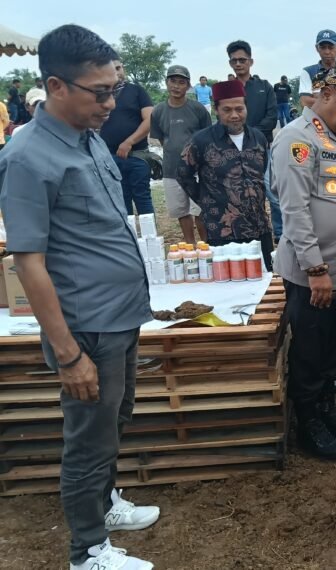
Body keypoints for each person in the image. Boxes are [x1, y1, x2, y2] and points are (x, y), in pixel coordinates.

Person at [0, 24, 159, 570]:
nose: (111, 103)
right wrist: (68, 354)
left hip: (119, 317)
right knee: (88, 438)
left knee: (115, 419)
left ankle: (105, 504)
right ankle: (86, 550)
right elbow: (30, 262)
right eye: (100, 92)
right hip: (86, 325)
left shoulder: (88, 134)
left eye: (115, 88)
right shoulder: (28, 156)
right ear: (56, 85)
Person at [272, 64, 336, 461]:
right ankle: (309, 422)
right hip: (313, 274)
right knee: (311, 349)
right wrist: (316, 270)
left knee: (332, 344)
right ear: (327, 95)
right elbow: (294, 209)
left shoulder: (335, 137)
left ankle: (327, 406)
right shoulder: (296, 139)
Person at [176, 80, 273, 268]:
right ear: (216, 109)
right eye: (227, 110)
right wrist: (207, 200)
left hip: (259, 227)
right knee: (229, 285)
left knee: (265, 282)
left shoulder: (258, 138)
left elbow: (261, 173)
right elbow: (183, 173)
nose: (234, 115)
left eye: (239, 109)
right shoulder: (201, 141)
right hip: (222, 230)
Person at [150, 65, 212, 244]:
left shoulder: (198, 109)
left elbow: (207, 137)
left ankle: (206, 246)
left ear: (188, 86)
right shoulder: (158, 111)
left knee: (199, 209)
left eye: (181, 82)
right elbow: (162, 139)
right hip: (171, 169)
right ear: (166, 83)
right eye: (173, 81)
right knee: (181, 211)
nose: (176, 86)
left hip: (197, 169)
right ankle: (190, 246)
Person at [226, 40, 280, 240]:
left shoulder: (264, 87)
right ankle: (248, 235)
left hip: (262, 148)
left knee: (273, 194)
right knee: (242, 195)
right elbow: (224, 118)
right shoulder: (227, 90)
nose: (238, 64)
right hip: (233, 150)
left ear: (251, 61)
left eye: (242, 60)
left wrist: (251, 135)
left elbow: (272, 116)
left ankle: (280, 235)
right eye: (234, 61)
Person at [99, 60, 154, 215]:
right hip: (110, 158)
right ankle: (128, 239)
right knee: (120, 201)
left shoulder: (137, 91)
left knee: (143, 199)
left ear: (123, 68)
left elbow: (150, 119)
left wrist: (129, 142)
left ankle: (151, 239)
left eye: (118, 68)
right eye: (111, 69)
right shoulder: (101, 95)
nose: (116, 72)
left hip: (137, 155)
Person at [299, 29, 336, 108]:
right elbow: (305, 102)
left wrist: (319, 97)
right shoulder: (308, 72)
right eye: (323, 47)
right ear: (317, 48)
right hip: (317, 119)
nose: (327, 51)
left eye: (331, 47)